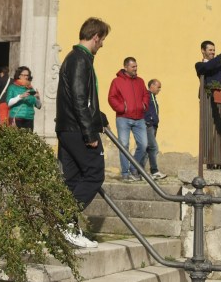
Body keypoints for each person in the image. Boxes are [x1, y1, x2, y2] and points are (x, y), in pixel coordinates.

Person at [55, 17, 111, 249]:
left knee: (72, 179)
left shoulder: (76, 58)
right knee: (94, 174)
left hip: (68, 127)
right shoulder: (80, 60)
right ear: (95, 37)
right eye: (103, 40)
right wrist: (90, 134)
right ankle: (63, 221)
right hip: (77, 129)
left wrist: (99, 118)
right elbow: (79, 99)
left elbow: (83, 99)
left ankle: (65, 225)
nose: (102, 45)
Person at [108, 57, 150, 181]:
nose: (136, 69)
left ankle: (133, 168)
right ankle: (125, 173)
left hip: (139, 118)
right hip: (123, 118)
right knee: (124, 145)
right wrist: (122, 108)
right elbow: (111, 98)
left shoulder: (140, 81)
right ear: (126, 67)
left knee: (143, 145)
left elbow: (146, 95)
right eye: (133, 67)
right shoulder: (117, 81)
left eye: (136, 66)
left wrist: (144, 105)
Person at [5, 66, 41, 131]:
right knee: (16, 139)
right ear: (19, 75)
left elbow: (38, 106)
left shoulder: (31, 88)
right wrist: (20, 96)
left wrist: (38, 98)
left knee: (28, 140)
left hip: (29, 118)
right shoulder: (12, 87)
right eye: (23, 75)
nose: (26, 77)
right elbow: (8, 103)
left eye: (27, 75)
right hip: (16, 117)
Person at [145, 79, 166, 180]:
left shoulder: (153, 97)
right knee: (153, 148)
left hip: (153, 125)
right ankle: (154, 171)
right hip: (149, 125)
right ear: (152, 86)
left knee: (147, 149)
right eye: (158, 87)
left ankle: (140, 172)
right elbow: (145, 109)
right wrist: (149, 121)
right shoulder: (148, 96)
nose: (159, 89)